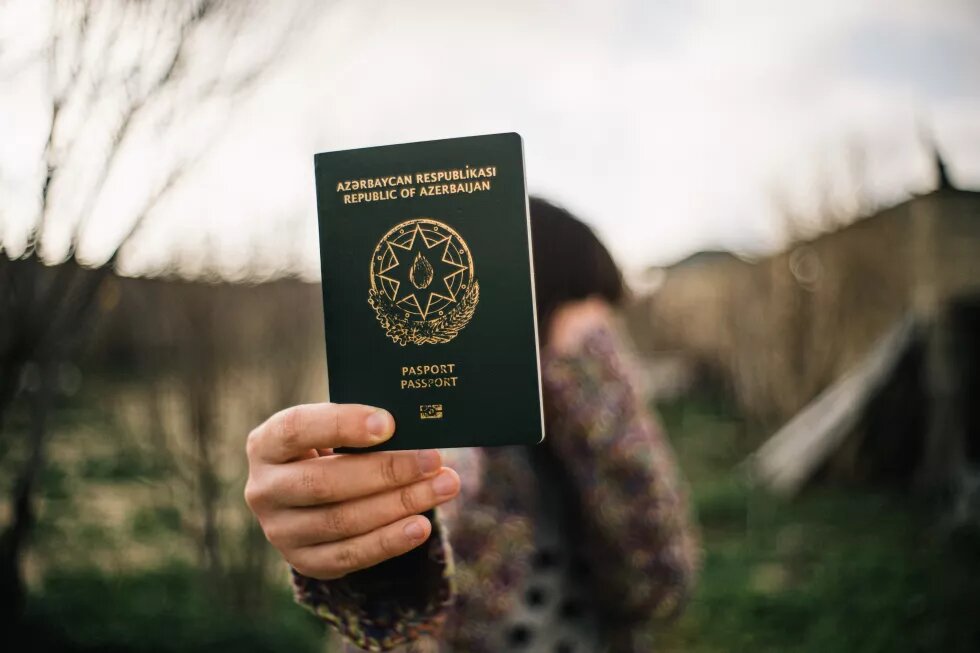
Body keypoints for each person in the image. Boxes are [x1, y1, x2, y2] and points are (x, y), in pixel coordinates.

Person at [244, 197, 700, 652]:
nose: (607, 336)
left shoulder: (582, 436)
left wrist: (595, 391)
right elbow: (430, 517)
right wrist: (364, 548)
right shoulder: (456, 433)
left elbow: (661, 582)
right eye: (587, 303)